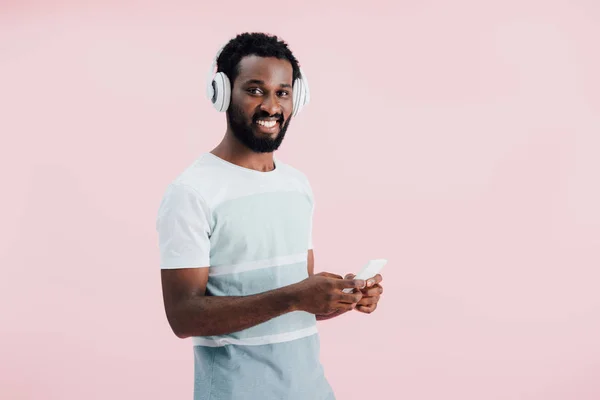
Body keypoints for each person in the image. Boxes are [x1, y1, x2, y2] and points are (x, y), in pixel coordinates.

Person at [155, 32, 384, 400]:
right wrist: (296, 296)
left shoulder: (297, 185)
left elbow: (296, 302)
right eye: (255, 90)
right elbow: (183, 316)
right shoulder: (192, 192)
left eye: (282, 92)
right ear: (223, 94)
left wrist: (342, 297)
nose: (271, 106)